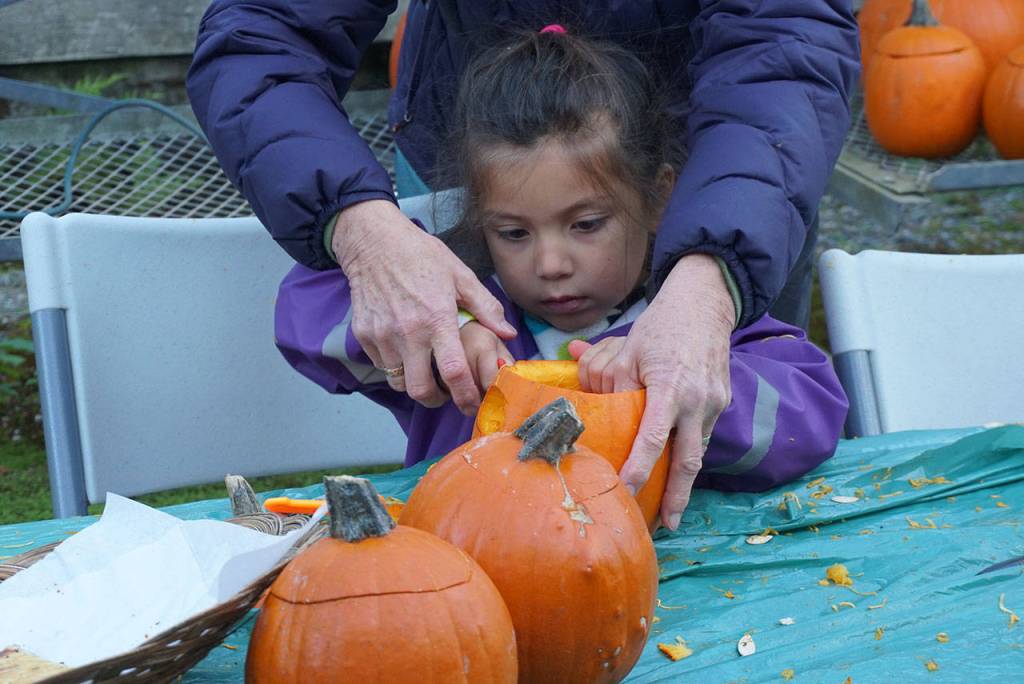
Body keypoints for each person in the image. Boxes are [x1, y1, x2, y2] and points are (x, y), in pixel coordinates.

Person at [187, 1, 860, 528]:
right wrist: (423, 312)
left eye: (587, 225)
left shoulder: (691, 321)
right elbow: (303, 315)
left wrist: (694, 399)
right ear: (479, 221)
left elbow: (812, 416)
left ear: (661, 201)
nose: (552, 263)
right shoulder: (472, 319)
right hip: (473, 588)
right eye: (512, 232)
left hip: (686, 580)